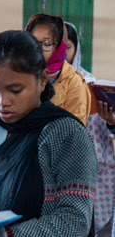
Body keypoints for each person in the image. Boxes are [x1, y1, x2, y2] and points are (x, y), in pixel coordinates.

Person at [0, 30, 97, 236]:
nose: (2, 101)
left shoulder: (67, 135)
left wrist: (1, 234)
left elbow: (75, 220)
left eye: (15, 90)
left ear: (43, 79)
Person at [65, 21, 115, 234]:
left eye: (67, 48)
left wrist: (110, 120)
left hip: (95, 165)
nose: (62, 53)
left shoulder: (90, 83)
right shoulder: (39, 85)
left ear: (76, 49)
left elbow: (106, 129)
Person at [25, 13, 91, 125]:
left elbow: (73, 132)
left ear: (59, 47)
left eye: (47, 44)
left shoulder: (73, 83)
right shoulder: (19, 73)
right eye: (33, 42)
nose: (38, 49)